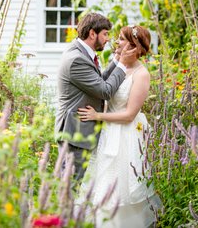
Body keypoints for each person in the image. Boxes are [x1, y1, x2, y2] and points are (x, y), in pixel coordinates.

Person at [76, 25, 162, 227]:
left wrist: (97, 115)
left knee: (122, 186)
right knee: (103, 183)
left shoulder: (141, 74)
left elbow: (130, 114)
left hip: (127, 134)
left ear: (135, 46)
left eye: (122, 39)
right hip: (108, 131)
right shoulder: (119, 65)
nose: (117, 42)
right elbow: (104, 88)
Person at [54, 13, 136, 182]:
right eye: (105, 34)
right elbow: (105, 91)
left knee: (73, 188)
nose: (108, 39)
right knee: (70, 189)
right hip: (75, 134)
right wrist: (123, 64)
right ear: (92, 34)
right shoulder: (77, 59)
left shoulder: (80, 52)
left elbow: (98, 81)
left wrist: (116, 60)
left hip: (79, 133)